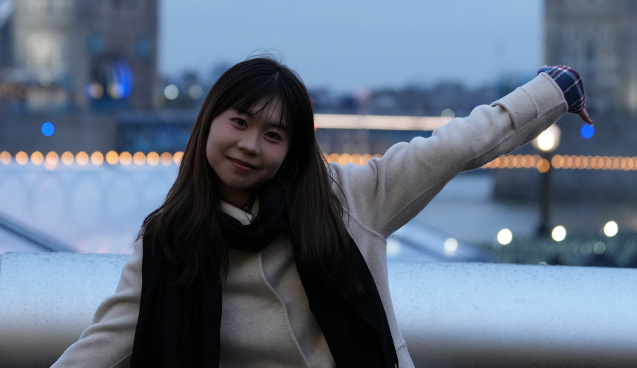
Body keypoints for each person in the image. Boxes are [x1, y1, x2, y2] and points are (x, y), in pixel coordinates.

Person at [52, 57, 591, 368]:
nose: (250, 145)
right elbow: (102, 345)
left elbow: (454, 148)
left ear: (293, 149)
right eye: (238, 123)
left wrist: (552, 91)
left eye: (273, 135)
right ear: (208, 123)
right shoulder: (170, 241)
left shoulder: (351, 200)